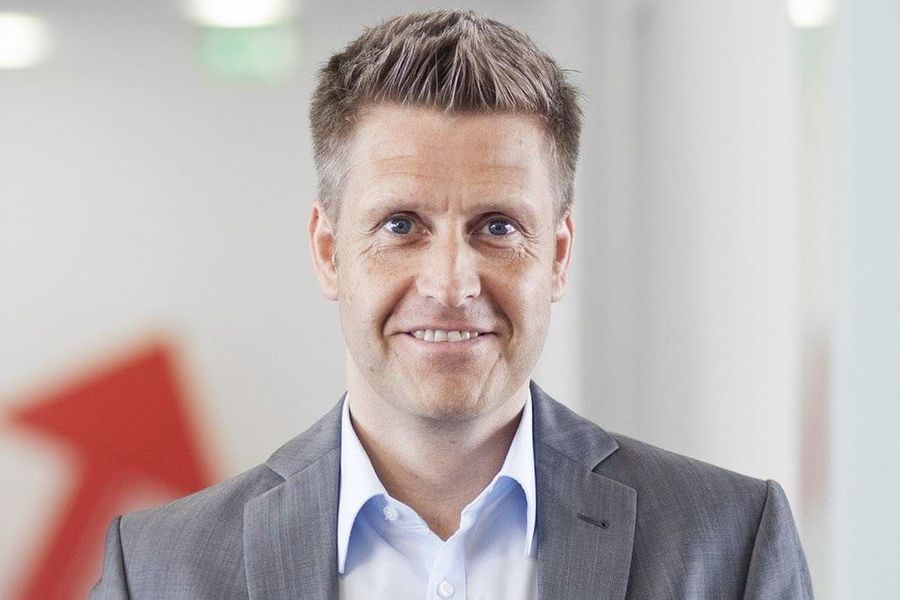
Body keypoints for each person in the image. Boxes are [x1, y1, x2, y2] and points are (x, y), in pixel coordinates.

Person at [91, 9, 813, 599]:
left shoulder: (728, 544)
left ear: (558, 255)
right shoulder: (160, 571)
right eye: (400, 226)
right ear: (327, 250)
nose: (450, 284)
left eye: (497, 227)